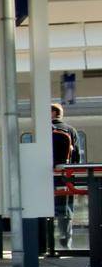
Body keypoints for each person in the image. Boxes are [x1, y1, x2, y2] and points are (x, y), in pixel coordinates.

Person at [51, 103, 81, 249]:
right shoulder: (71, 130)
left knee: (46, 209)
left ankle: (46, 242)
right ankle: (65, 243)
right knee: (66, 210)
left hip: (46, 177)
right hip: (65, 177)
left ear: (52, 113)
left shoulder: (44, 130)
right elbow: (76, 157)